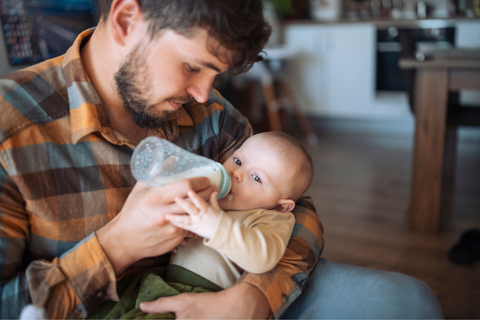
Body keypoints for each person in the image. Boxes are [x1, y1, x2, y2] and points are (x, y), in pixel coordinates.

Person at [0, 0, 443, 319]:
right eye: (193, 66)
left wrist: (254, 297)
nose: (203, 93)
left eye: (215, 74)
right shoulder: (12, 131)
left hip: (228, 285)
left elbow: (294, 208)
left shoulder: (210, 115)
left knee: (411, 303)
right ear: (126, 19)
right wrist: (118, 245)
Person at [88, 131, 313, 318]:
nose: (236, 174)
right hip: (159, 280)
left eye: (256, 178)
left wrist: (215, 226)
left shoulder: (270, 217)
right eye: (237, 161)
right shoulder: (210, 200)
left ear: (281, 206)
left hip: (204, 296)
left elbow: (264, 257)